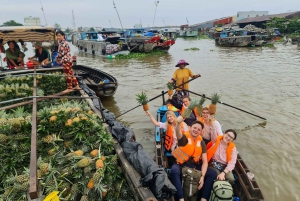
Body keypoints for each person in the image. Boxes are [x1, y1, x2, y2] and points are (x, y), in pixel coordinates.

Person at [170, 119, 217, 201]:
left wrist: (202, 176)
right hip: (181, 164)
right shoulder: (184, 138)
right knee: (174, 170)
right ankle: (181, 198)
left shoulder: (201, 142)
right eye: (194, 128)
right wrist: (178, 124)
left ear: (201, 132)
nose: (196, 130)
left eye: (198, 129)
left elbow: (205, 161)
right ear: (190, 128)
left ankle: (203, 198)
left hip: (194, 165)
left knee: (212, 173)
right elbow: (178, 133)